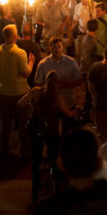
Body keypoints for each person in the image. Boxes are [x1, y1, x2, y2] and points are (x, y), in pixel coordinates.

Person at [19, 70, 78, 202]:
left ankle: (35, 190)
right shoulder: (58, 98)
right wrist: (76, 111)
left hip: (37, 130)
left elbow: (20, 103)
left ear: (45, 80)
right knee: (55, 156)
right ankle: (56, 183)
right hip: (52, 132)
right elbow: (69, 114)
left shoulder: (36, 91)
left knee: (36, 159)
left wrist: (30, 105)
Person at [0, 23, 33, 160]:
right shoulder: (20, 53)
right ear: (15, 36)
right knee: (22, 124)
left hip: (4, 92)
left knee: (6, 124)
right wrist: (31, 62)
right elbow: (26, 73)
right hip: (20, 93)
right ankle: (25, 152)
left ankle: (4, 150)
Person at [34, 36, 83, 109]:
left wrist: (68, 84)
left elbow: (79, 80)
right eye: (54, 47)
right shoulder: (43, 64)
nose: (57, 50)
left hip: (68, 101)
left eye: (59, 46)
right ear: (50, 48)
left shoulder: (71, 62)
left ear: (63, 47)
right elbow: (38, 83)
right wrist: (50, 86)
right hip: (50, 103)